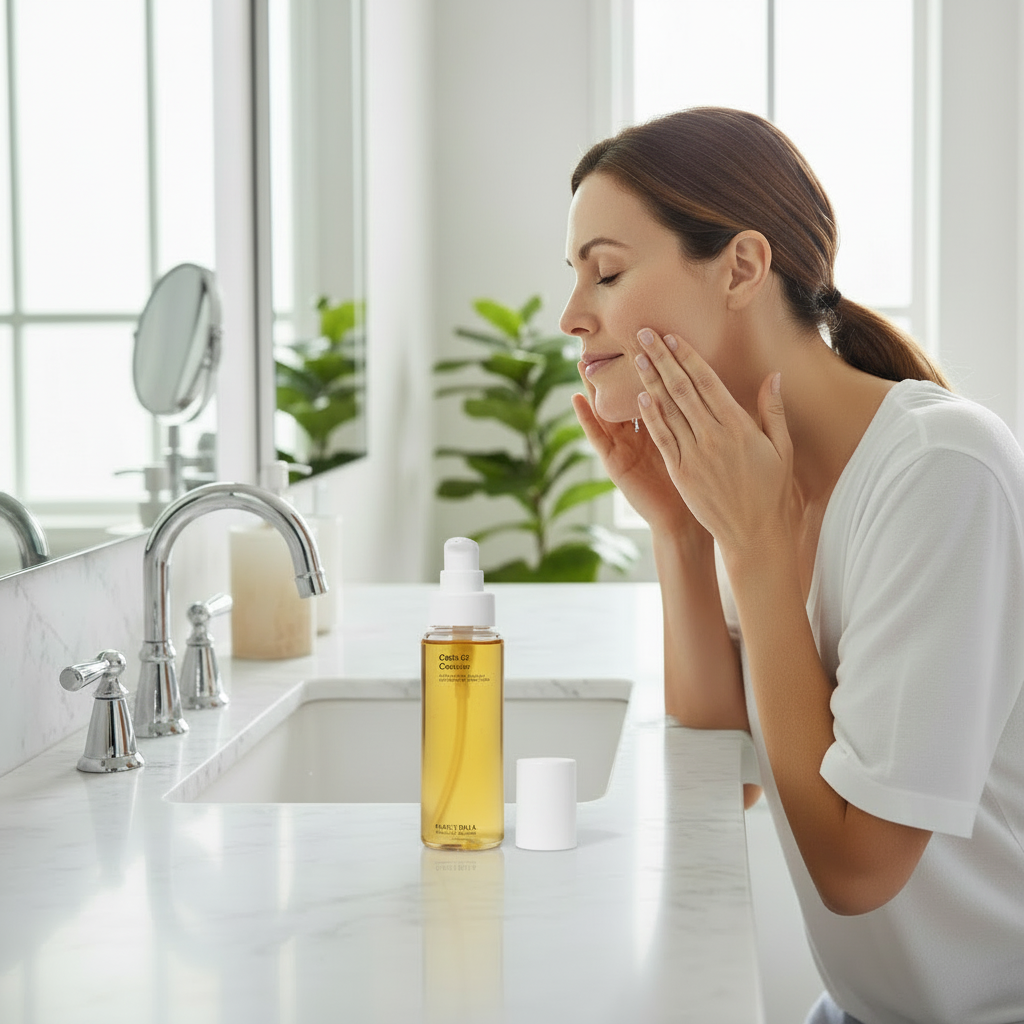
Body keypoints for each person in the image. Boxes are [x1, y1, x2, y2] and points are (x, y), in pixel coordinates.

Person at [560, 107, 1024, 1024]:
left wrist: (756, 550)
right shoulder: (756, 479)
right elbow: (730, 763)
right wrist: (682, 532)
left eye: (605, 272)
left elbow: (857, 871)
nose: (573, 316)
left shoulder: (941, 472)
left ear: (741, 267)